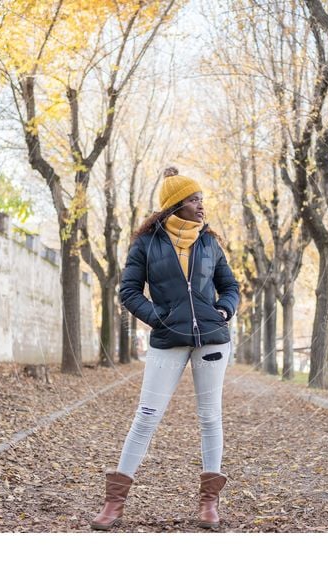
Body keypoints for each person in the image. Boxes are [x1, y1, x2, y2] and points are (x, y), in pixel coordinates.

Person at [90, 167, 240, 531]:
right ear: (176, 205)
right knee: (146, 415)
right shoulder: (147, 243)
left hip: (211, 339)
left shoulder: (209, 242)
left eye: (201, 198)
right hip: (167, 338)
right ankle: (114, 503)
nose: (201, 204)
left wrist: (224, 310)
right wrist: (158, 318)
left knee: (210, 418)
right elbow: (128, 291)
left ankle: (209, 505)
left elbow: (230, 285)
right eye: (194, 199)